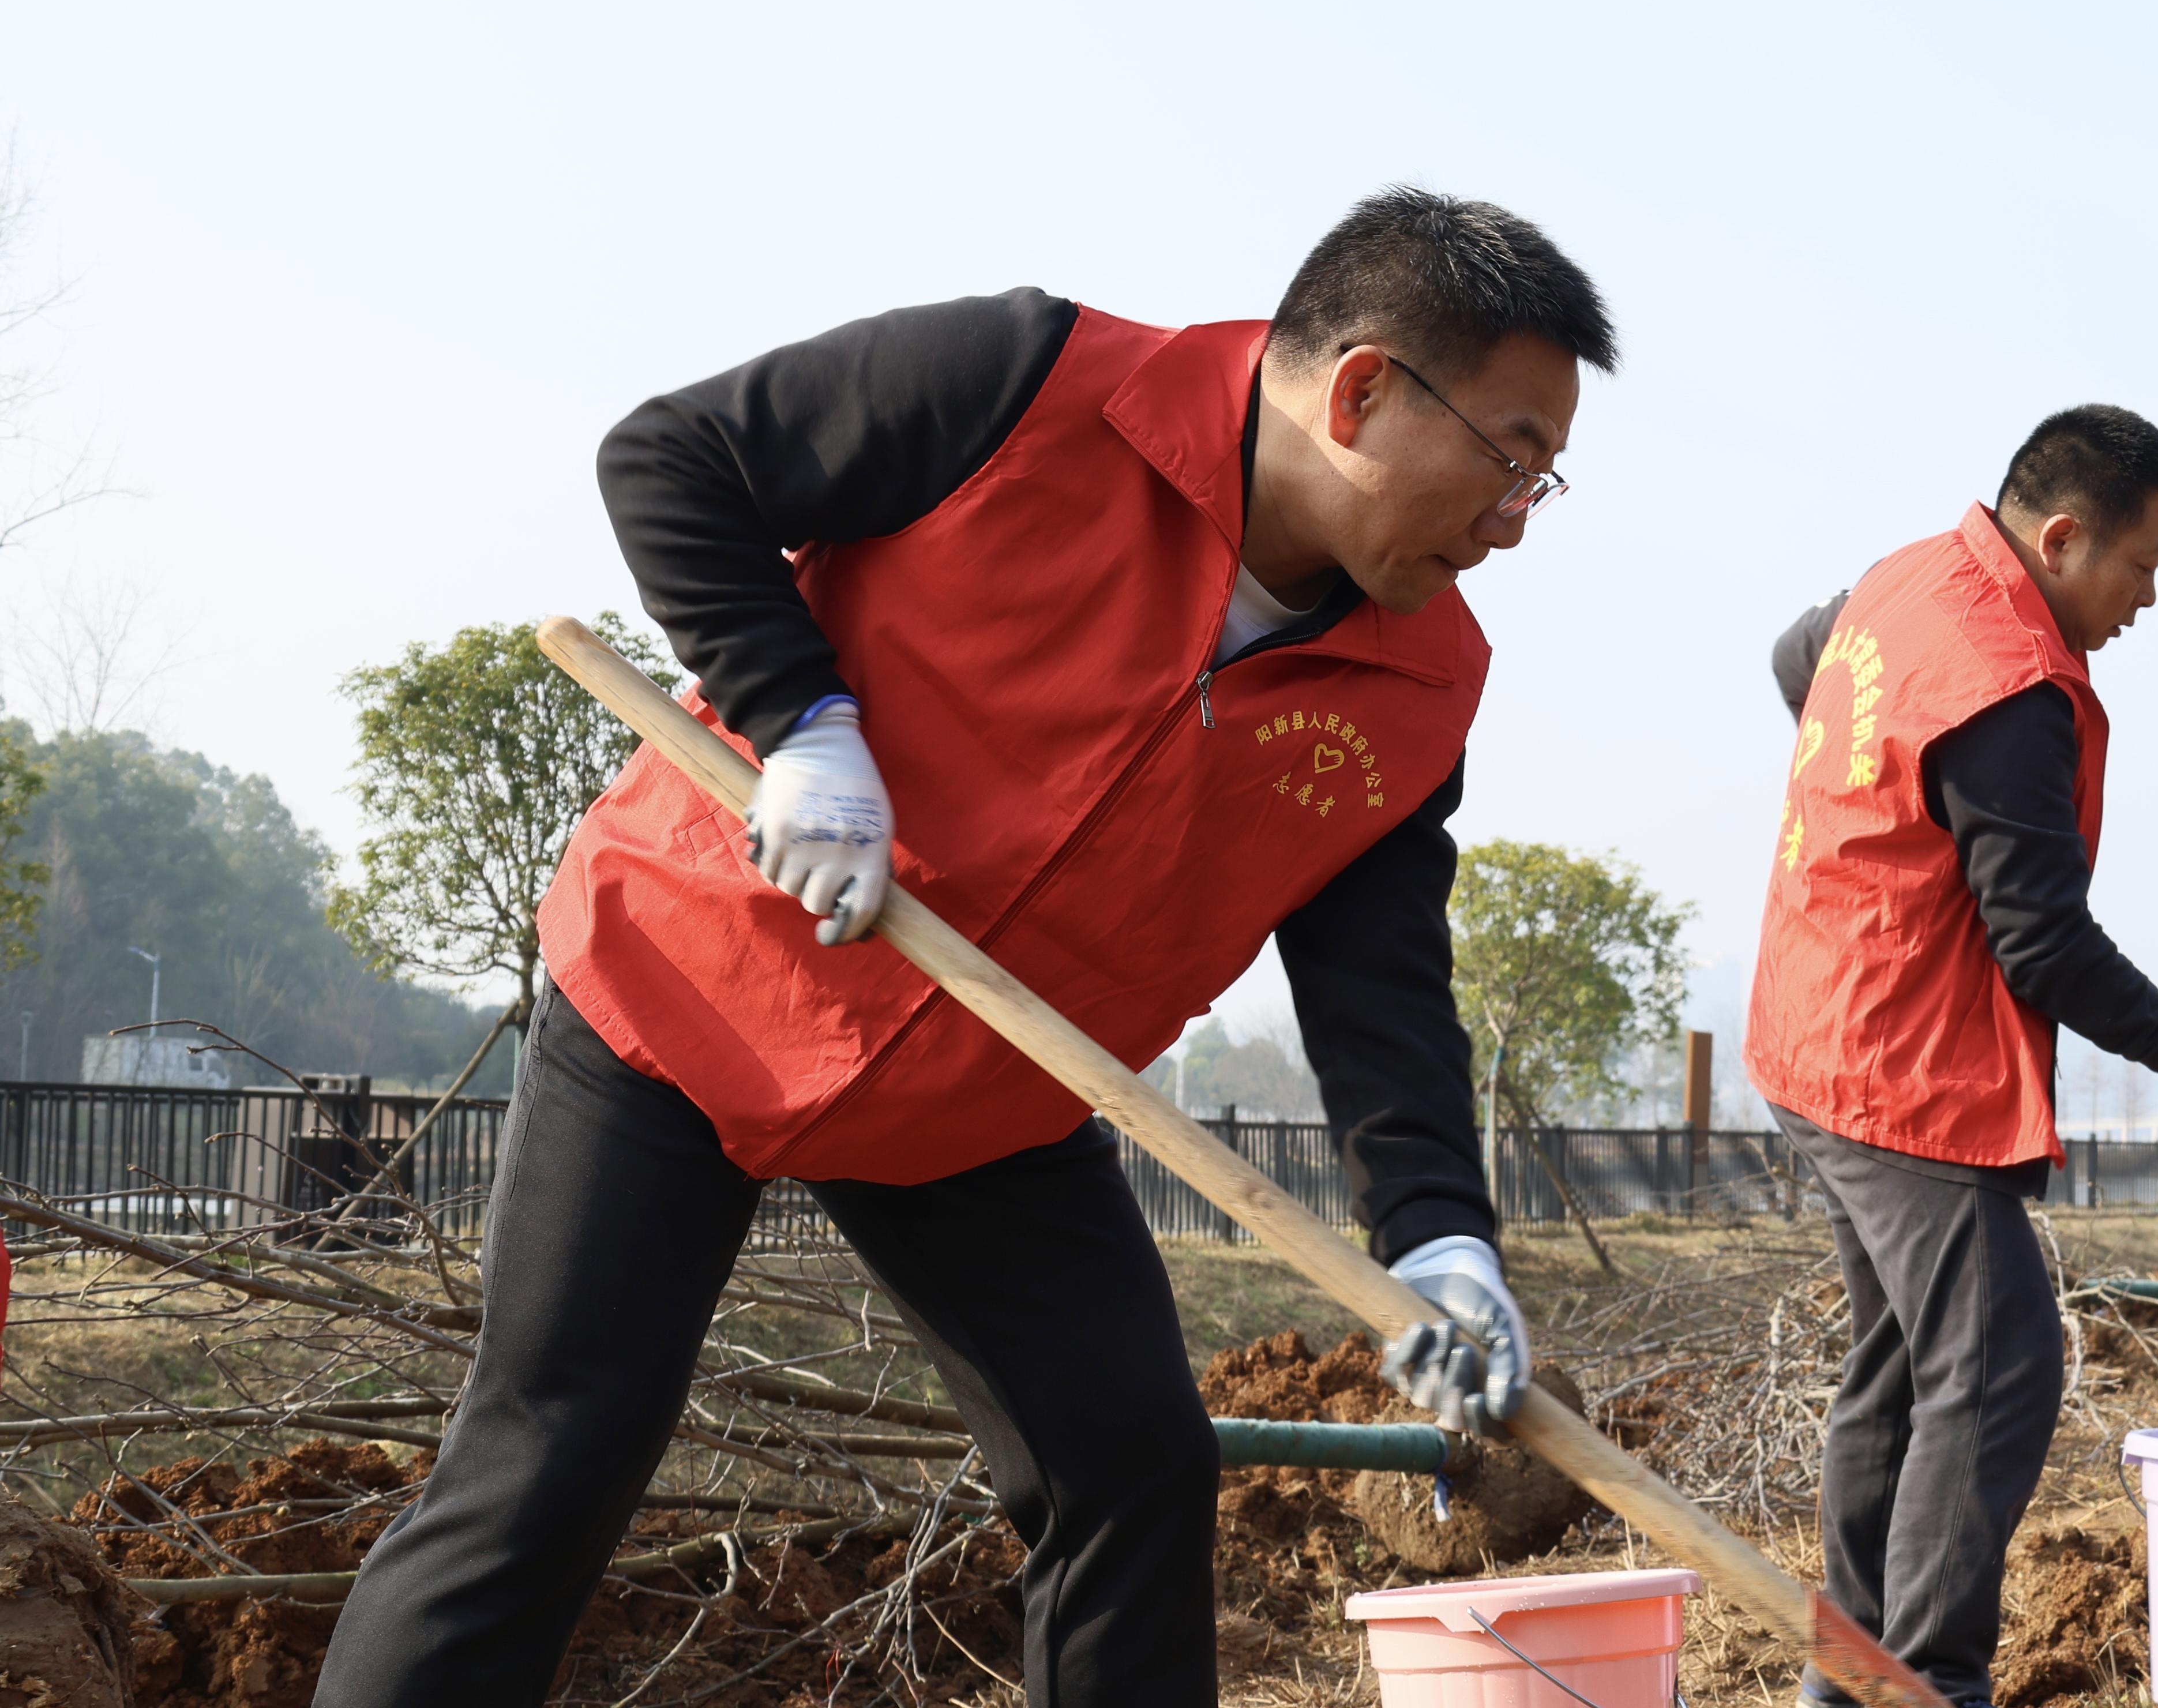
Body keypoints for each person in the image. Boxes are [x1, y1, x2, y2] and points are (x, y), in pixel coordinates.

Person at [314, 190, 1617, 1707]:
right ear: (1362, 388)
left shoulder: (1421, 681)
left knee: (1127, 1460)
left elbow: (1378, 980)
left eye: (1548, 473)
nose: (1520, 511)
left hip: (987, 1089)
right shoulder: (1028, 386)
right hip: (688, 985)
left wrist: (1442, 1238)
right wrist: (804, 717)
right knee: (553, 1456)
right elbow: (673, 455)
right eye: (1512, 453)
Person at [1750, 406, 2158, 1708]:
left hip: (1817, 1014)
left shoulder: (1909, 577)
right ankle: (1925, 1685)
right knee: (1996, 1366)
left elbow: (1793, 658)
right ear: (2063, 534)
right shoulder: (2007, 685)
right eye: (2141, 565)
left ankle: (1847, 1680)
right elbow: (2042, 943)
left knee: (1904, 1363)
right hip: (1898, 1062)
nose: (2148, 599)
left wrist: (1865, 809)